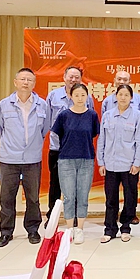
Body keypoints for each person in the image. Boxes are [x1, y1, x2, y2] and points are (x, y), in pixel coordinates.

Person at [0, 68, 50, 248]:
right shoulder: (4, 105)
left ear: (34, 84)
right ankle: (5, 232)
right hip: (9, 158)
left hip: (32, 159)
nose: (26, 83)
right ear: (15, 82)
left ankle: (33, 230)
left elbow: (44, 130)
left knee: (33, 197)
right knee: (7, 197)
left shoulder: (42, 105)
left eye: (29, 80)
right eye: (23, 79)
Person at [51, 83, 100, 244]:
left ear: (87, 97)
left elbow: (94, 134)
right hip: (66, 160)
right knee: (69, 196)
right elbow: (57, 134)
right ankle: (70, 228)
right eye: (76, 95)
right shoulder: (64, 115)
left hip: (86, 159)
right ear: (70, 96)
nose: (80, 98)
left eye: (83, 95)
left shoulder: (92, 115)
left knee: (83, 196)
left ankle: (80, 229)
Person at [97, 84, 140, 243]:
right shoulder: (108, 115)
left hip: (129, 164)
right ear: (116, 96)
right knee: (111, 198)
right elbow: (102, 140)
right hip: (110, 164)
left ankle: (126, 227)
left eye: (126, 95)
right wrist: (101, 162)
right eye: (120, 94)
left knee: (130, 197)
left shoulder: (138, 116)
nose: (123, 97)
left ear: (131, 98)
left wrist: (137, 163)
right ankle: (109, 229)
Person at [45, 66, 95, 223]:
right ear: (64, 77)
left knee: (78, 187)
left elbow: (91, 125)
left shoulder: (87, 98)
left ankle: (75, 219)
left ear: (81, 79)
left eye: (77, 77)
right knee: (56, 185)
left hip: (80, 150)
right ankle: (52, 219)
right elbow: (48, 121)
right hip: (58, 149)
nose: (73, 80)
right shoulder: (53, 96)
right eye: (70, 76)